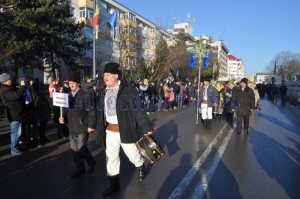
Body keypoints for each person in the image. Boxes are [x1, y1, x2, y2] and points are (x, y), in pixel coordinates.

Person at [96, 62, 152, 197]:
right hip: (109, 131)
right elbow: (98, 112)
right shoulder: (103, 91)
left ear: (116, 75)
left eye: (108, 75)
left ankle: (140, 165)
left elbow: (139, 109)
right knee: (111, 158)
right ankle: (114, 185)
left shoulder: (129, 90)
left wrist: (145, 126)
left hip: (125, 129)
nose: (105, 77)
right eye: (104, 75)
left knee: (133, 155)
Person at [59, 72, 97, 179]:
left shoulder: (85, 95)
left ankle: (91, 162)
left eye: (73, 83)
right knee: (74, 150)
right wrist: (63, 118)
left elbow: (92, 111)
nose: (71, 85)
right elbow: (65, 110)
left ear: (78, 84)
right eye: (69, 83)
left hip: (82, 127)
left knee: (81, 148)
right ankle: (79, 169)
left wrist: (91, 125)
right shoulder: (68, 96)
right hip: (71, 127)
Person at [0, 73, 26, 155]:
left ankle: (16, 147)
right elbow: (16, 96)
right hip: (14, 114)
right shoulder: (4, 90)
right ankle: (14, 149)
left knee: (17, 132)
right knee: (15, 132)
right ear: (5, 81)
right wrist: (22, 87)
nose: (11, 80)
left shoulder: (8, 88)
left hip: (16, 113)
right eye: (9, 79)